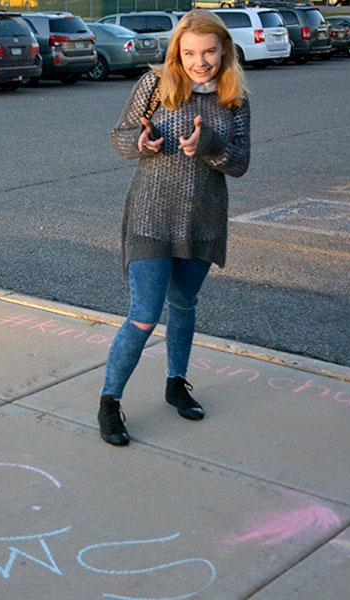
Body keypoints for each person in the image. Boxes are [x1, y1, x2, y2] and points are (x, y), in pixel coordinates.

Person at [98, 10, 251, 446]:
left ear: (225, 50)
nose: (199, 62)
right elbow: (121, 136)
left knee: (184, 303)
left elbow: (239, 164)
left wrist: (210, 145)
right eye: (189, 53)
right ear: (176, 53)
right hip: (151, 216)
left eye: (208, 52)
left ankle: (175, 383)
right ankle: (110, 402)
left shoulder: (233, 99)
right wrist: (140, 143)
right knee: (144, 316)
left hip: (202, 219)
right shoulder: (155, 85)